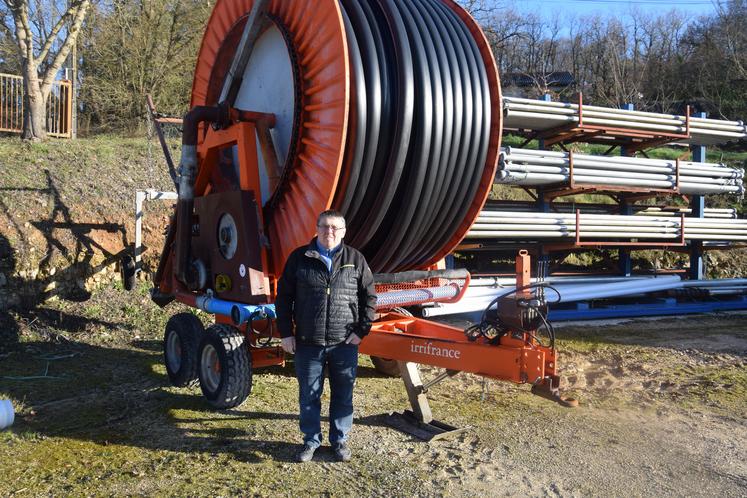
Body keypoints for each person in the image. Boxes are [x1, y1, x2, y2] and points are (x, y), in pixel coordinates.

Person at [276, 209, 377, 463]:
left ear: (343, 232)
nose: (329, 231)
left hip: (344, 343)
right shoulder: (300, 258)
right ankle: (311, 440)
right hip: (308, 343)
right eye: (324, 226)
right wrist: (286, 333)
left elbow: (370, 298)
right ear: (317, 228)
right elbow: (283, 298)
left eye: (334, 228)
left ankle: (339, 440)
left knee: (343, 393)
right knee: (309, 395)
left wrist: (361, 331)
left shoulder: (356, 259)